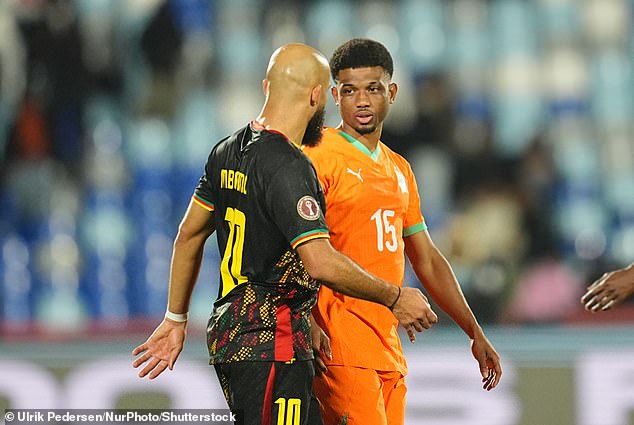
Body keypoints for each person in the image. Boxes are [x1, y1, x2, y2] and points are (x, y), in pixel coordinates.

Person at [131, 43, 438, 425]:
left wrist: (175, 317)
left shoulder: (226, 151)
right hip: (271, 339)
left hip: (236, 335)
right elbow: (320, 261)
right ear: (316, 96)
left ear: (266, 87)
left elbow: (188, 235)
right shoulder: (290, 167)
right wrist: (394, 296)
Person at [302, 38, 502, 425]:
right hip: (339, 343)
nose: (362, 101)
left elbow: (426, 258)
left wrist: (473, 331)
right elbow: (289, 245)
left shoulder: (399, 169)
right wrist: (306, 319)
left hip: (387, 347)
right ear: (335, 96)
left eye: (373, 89)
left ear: (391, 93)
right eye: (350, 91)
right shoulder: (315, 156)